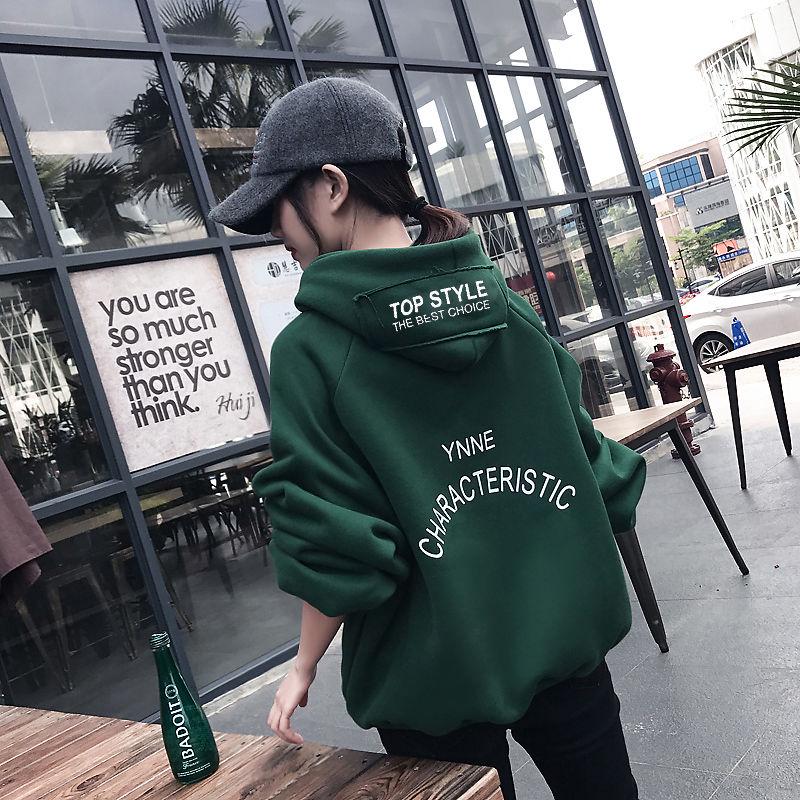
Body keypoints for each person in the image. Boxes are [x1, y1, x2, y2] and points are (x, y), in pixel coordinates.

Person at [209, 78, 646, 800]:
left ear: (332, 187)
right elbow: (592, 466)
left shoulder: (312, 353)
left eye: (276, 208)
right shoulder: (505, 308)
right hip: (564, 637)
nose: (276, 236)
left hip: (432, 672)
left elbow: (337, 544)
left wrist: (304, 664)